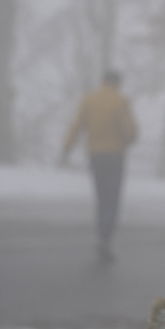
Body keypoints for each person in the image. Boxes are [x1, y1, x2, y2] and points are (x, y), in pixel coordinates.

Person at [61, 70, 138, 261]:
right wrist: (126, 141)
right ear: (117, 83)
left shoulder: (89, 100)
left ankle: (101, 233)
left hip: (95, 154)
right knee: (112, 198)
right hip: (115, 155)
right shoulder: (120, 101)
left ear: (102, 81)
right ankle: (106, 237)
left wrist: (66, 149)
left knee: (101, 195)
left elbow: (77, 126)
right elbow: (130, 131)